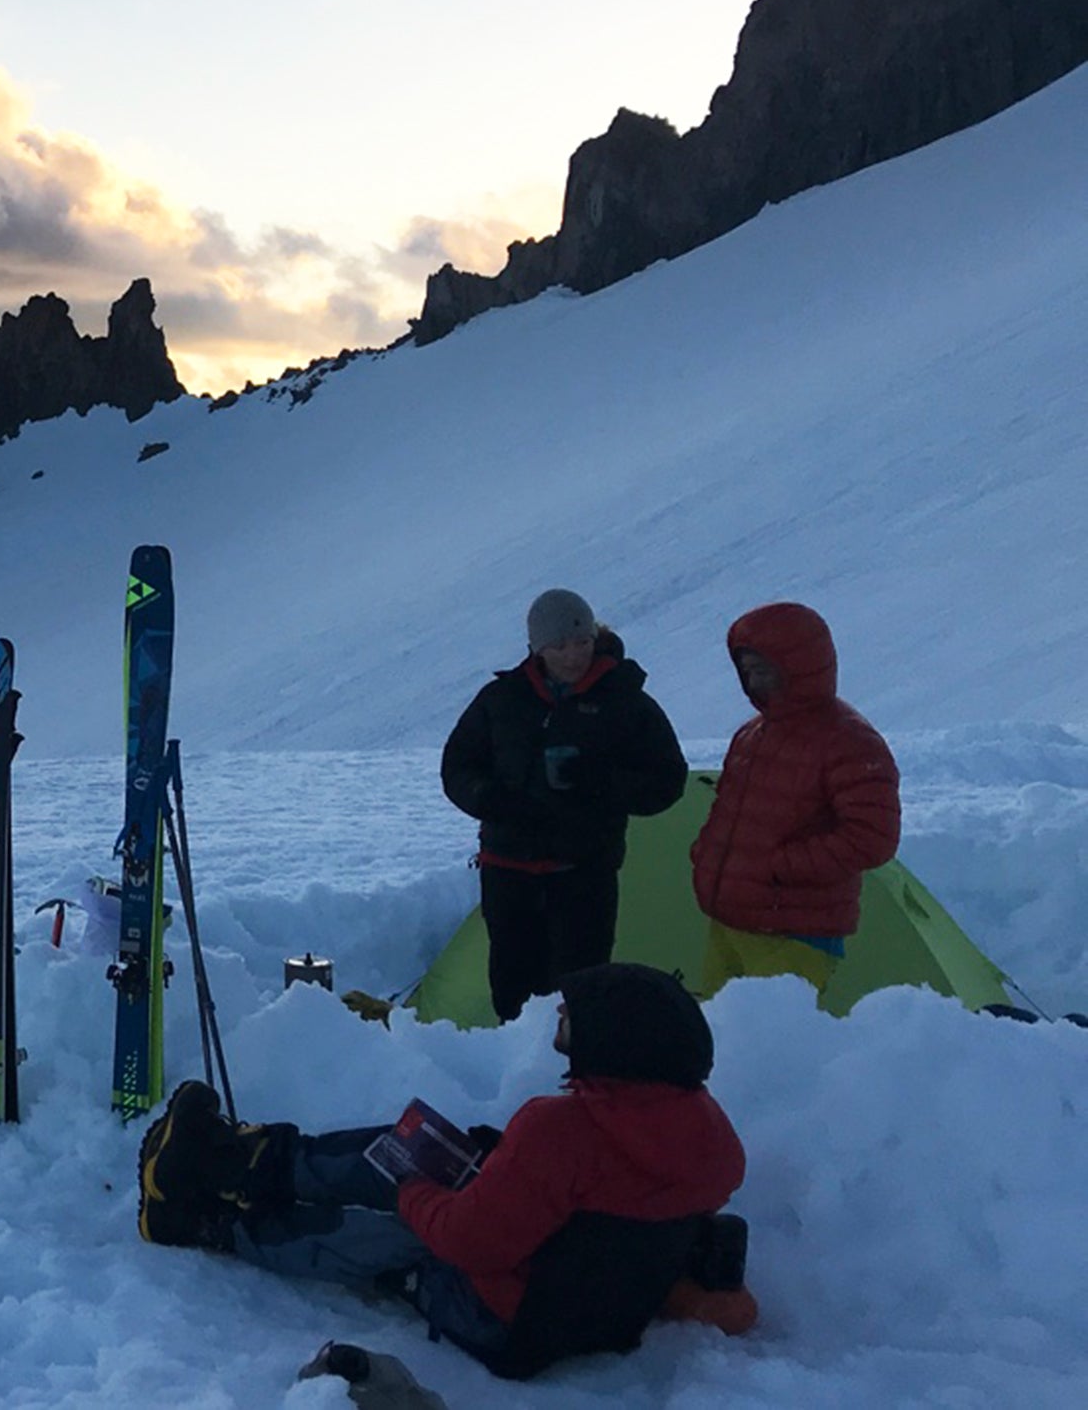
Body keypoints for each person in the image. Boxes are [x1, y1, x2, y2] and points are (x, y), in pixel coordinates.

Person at [137, 963, 755, 1380]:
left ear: (620, 1041)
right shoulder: (708, 1134)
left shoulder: (562, 1130)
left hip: (503, 1320)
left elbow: (469, 1241)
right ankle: (238, 1162)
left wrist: (415, 1191)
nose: (561, 1013)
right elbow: (602, 1202)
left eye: (575, 1011)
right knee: (410, 1148)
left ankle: (204, 1221)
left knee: (392, 1232)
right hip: (575, 1305)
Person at [440, 589, 688, 1022]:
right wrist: (491, 799)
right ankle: (522, 1075)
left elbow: (667, 781)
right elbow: (458, 766)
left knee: (582, 991)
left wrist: (603, 784)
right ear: (537, 648)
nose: (574, 655)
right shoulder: (502, 700)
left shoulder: (624, 701)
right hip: (508, 870)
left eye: (582, 643)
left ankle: (579, 1080)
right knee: (512, 986)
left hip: (583, 872)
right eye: (560, 646)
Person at [692, 602, 901, 998]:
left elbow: (873, 837)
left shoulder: (849, 741)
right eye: (747, 671)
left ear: (800, 666)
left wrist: (778, 866)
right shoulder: (753, 735)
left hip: (797, 934)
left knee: (767, 1046)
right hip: (731, 921)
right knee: (719, 1041)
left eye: (764, 670)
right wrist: (707, 854)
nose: (754, 682)